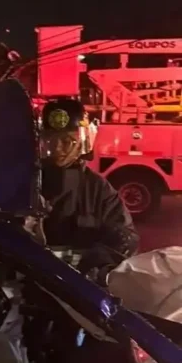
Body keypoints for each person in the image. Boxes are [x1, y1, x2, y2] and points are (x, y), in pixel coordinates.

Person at [39, 98, 138, 278]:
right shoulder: (26, 182)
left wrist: (97, 263)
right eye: (50, 140)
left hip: (80, 290)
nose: (57, 148)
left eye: (67, 140)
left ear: (81, 143)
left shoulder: (98, 189)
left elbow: (125, 237)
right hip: (30, 288)